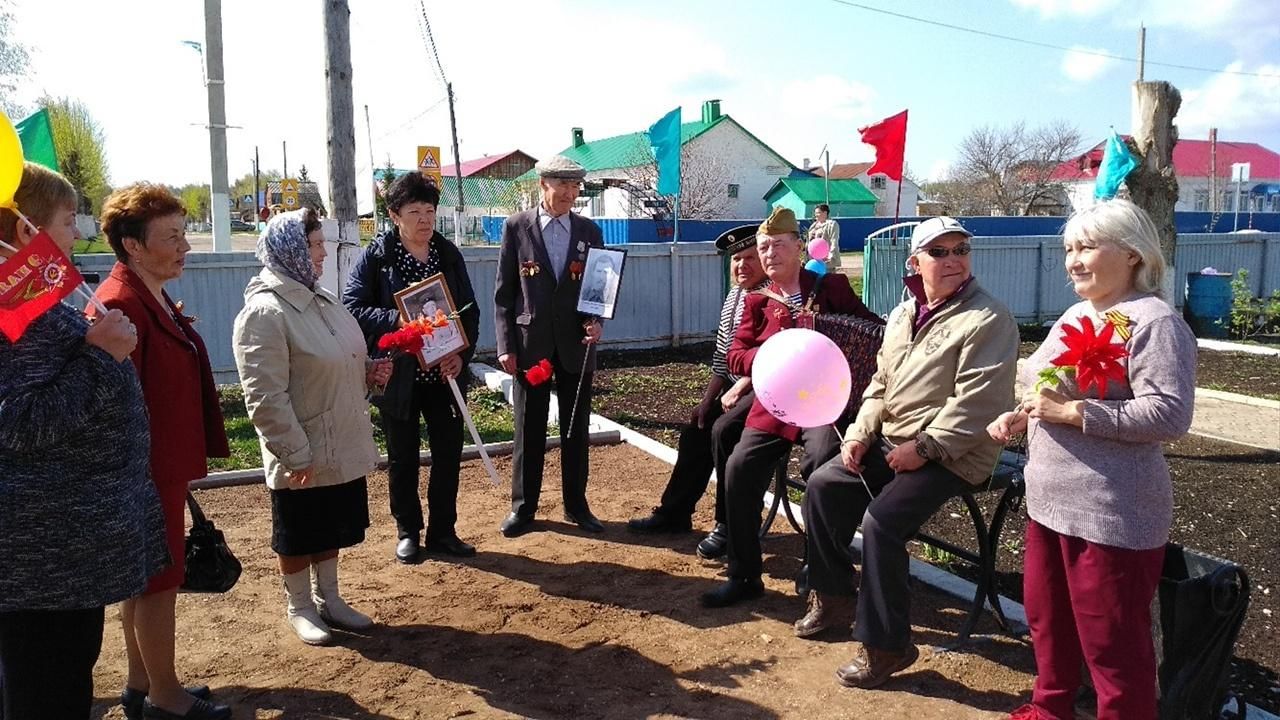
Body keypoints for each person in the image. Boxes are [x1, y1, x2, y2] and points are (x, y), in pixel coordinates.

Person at [990, 199, 1195, 720]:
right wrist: (1023, 414)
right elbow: (1048, 390)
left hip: (1111, 512)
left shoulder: (1155, 322)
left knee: (1114, 647)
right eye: (1068, 250)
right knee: (1048, 622)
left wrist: (1074, 412)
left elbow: (1169, 415)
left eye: (1086, 248)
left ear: (1131, 254)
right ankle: (1050, 708)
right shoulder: (1078, 315)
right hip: (1050, 501)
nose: (1073, 261)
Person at [793, 216, 1018, 689]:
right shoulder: (902, 313)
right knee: (823, 485)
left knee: (882, 522)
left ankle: (888, 644)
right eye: (940, 252)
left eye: (961, 249)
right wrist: (858, 434)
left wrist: (926, 447)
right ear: (915, 262)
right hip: (893, 440)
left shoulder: (987, 318)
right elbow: (879, 385)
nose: (954, 259)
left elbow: (979, 402)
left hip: (956, 453)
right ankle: (833, 595)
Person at [0, 163, 167, 719]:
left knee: (62, 676)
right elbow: (19, 423)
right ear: (27, 230)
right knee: (46, 689)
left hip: (62, 555)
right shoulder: (7, 314)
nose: (79, 233)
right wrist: (99, 357)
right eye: (70, 220)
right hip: (43, 563)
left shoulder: (31, 301)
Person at [95, 183, 232, 720]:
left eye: (184, 234)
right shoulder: (119, 302)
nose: (185, 247)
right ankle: (166, 696)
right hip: (144, 470)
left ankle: (140, 684)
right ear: (132, 245)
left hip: (162, 464)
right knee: (158, 583)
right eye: (171, 237)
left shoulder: (146, 293)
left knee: (148, 580)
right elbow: (116, 400)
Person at [702, 207, 882, 608]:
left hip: (823, 404)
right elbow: (735, 355)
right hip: (775, 404)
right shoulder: (755, 301)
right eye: (763, 248)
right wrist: (771, 357)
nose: (769, 255)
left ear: (799, 248)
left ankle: (817, 566)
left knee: (821, 464)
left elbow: (871, 331)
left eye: (778, 246)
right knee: (739, 468)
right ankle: (744, 573)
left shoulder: (830, 287)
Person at [235, 209, 392, 646]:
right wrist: (295, 452)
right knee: (299, 531)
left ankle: (331, 599)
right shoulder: (265, 313)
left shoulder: (321, 298)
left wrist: (368, 373)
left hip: (337, 438)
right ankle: (300, 606)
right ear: (289, 250)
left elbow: (338, 359)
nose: (323, 253)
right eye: (314, 244)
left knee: (330, 525)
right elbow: (265, 396)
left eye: (322, 243)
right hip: (302, 448)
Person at [345, 172, 480, 563]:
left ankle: (444, 530)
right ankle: (408, 531)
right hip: (400, 374)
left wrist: (461, 355)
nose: (424, 219)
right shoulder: (377, 258)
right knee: (402, 457)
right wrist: (397, 321)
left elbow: (468, 310)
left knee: (448, 453)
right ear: (394, 215)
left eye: (430, 210)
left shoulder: (448, 254)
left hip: (444, 374)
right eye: (414, 211)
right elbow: (352, 308)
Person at [627, 225, 768, 557]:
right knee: (697, 430)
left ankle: (729, 523)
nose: (741, 266)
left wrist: (739, 391)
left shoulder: (772, 296)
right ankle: (675, 513)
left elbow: (772, 355)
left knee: (724, 433)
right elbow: (722, 356)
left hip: (766, 392)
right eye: (736, 260)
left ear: (764, 258)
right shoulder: (736, 295)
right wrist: (707, 400)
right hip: (737, 388)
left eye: (750, 258)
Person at [493, 155, 605, 537]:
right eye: (563, 186)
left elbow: (598, 288)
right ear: (544, 185)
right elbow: (504, 294)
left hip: (576, 343)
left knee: (576, 428)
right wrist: (506, 345)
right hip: (531, 344)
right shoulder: (516, 227)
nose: (570, 194)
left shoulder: (589, 231)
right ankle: (523, 508)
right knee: (529, 428)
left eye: (576, 188)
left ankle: (577, 505)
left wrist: (596, 322)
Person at [808, 203, 841, 270]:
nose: (816, 215)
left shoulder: (832, 224)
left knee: (827, 278)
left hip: (826, 260)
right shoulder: (813, 226)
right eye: (815, 213)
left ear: (825, 213)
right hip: (814, 261)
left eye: (818, 213)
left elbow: (834, 241)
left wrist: (831, 256)